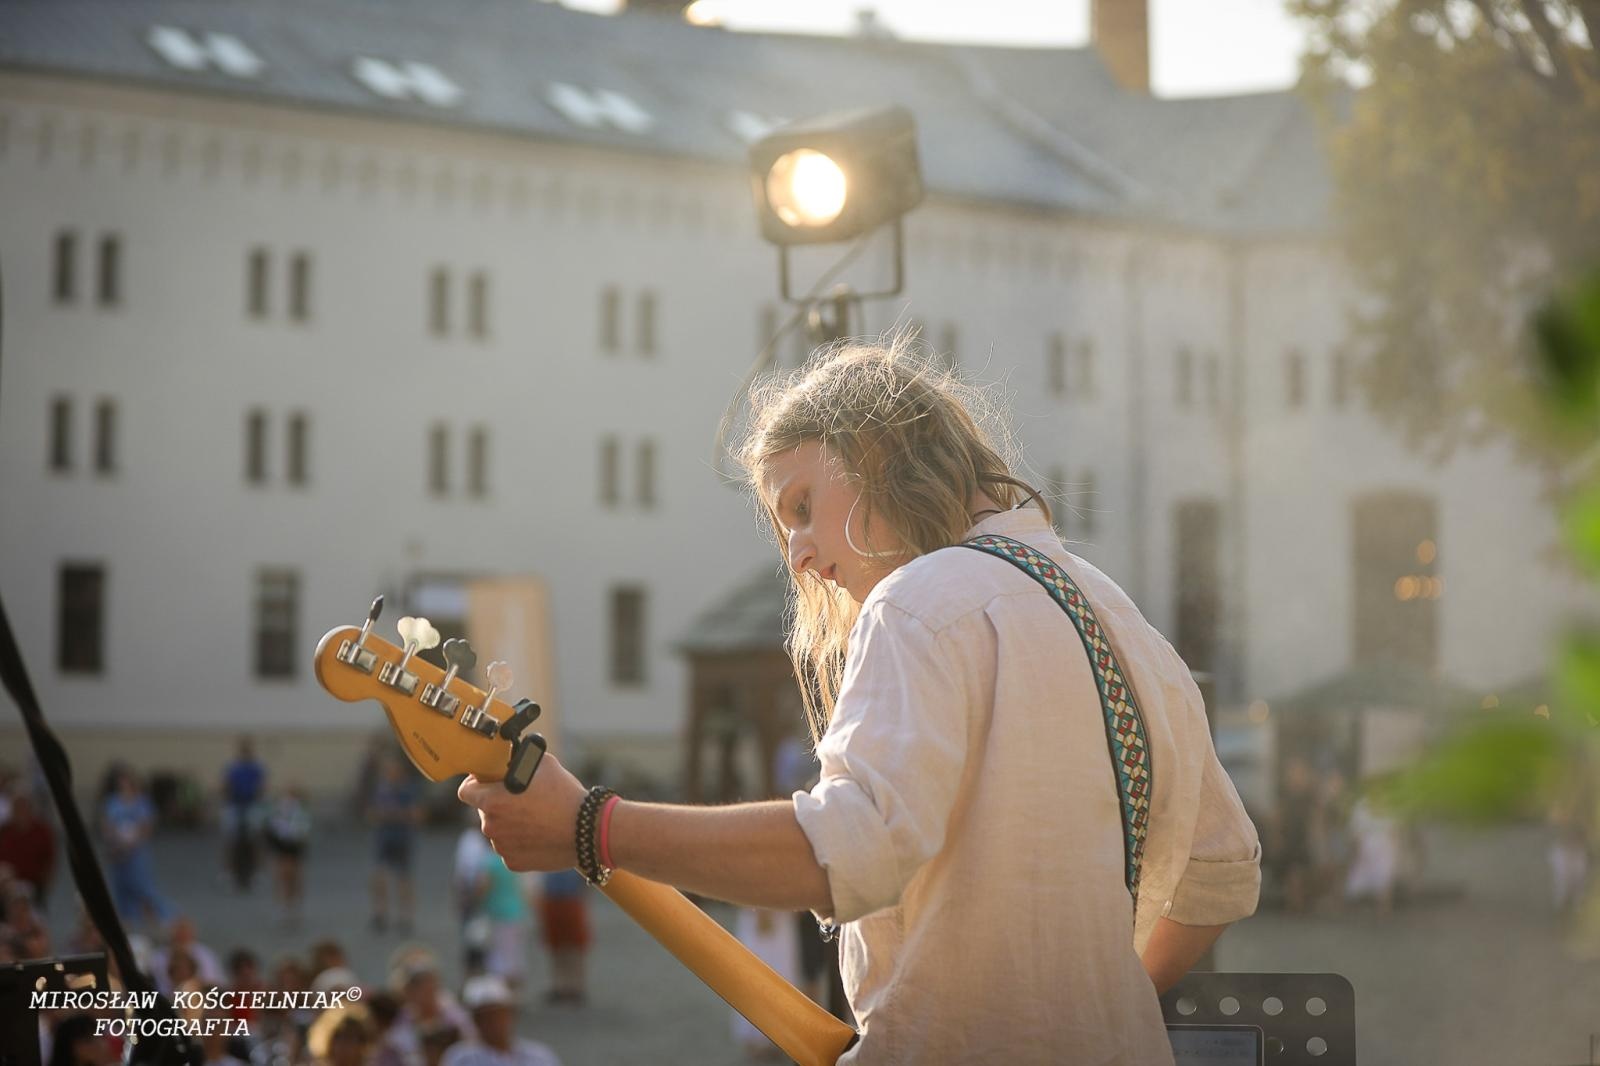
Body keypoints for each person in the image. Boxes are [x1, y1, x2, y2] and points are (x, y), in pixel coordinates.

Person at [459, 342, 1262, 1063]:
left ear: (877, 452)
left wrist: (592, 826)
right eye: (785, 534)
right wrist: (1102, 1011)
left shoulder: (918, 602)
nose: (800, 554)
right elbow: (1222, 872)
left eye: (803, 505)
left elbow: (850, 848)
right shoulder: (1124, 618)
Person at [100, 766, 171, 929]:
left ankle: (157, 918)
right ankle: (126, 921)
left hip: (136, 853)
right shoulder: (113, 802)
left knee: (142, 886)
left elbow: (147, 827)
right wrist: (113, 843)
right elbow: (107, 824)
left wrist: (131, 843)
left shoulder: (142, 803)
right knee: (121, 887)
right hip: (117, 852)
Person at [440, 975, 561, 1066]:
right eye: (486, 1017)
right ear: (475, 1020)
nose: (494, 1022)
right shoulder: (461, 1058)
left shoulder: (540, 1056)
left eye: (499, 1014)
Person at [367, 756, 422, 934]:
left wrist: (391, 814)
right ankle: (380, 912)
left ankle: (405, 916)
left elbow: (416, 815)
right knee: (380, 876)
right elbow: (373, 814)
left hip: (401, 838)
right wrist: (392, 814)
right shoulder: (381, 789)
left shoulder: (407, 790)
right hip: (384, 838)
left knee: (403, 878)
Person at [534, 868, 590, 1005]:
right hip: (555, 901)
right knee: (557, 947)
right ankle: (561, 985)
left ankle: (574, 986)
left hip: (570, 900)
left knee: (573, 948)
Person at [220, 737, 267, 893]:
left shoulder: (256, 767)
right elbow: (226, 785)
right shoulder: (233, 767)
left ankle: (257, 873)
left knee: (255, 839)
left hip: (252, 805)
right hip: (234, 805)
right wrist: (228, 799)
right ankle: (229, 873)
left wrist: (258, 801)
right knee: (230, 839)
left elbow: (261, 786)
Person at [263, 785, 312, 926]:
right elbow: (272, 828)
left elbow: (304, 830)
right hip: (282, 845)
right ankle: (284, 905)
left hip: (295, 846)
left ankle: (293, 905)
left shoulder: (301, 812)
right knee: (283, 874)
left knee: (295, 876)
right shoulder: (279, 811)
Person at [0, 788, 56, 910]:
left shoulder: (42, 830)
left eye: (23, 806)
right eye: (17, 806)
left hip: (34, 884)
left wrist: (46, 881)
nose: (20, 810)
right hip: (7, 886)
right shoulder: (5, 830)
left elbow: (49, 858)